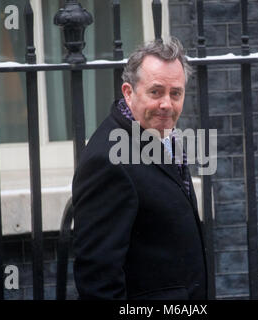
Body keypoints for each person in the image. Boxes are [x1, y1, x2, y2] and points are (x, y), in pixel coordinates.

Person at [72, 38, 208, 300]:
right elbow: (98, 279)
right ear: (128, 92)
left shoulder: (160, 134)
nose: (167, 103)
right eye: (156, 91)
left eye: (175, 93)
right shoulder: (107, 161)